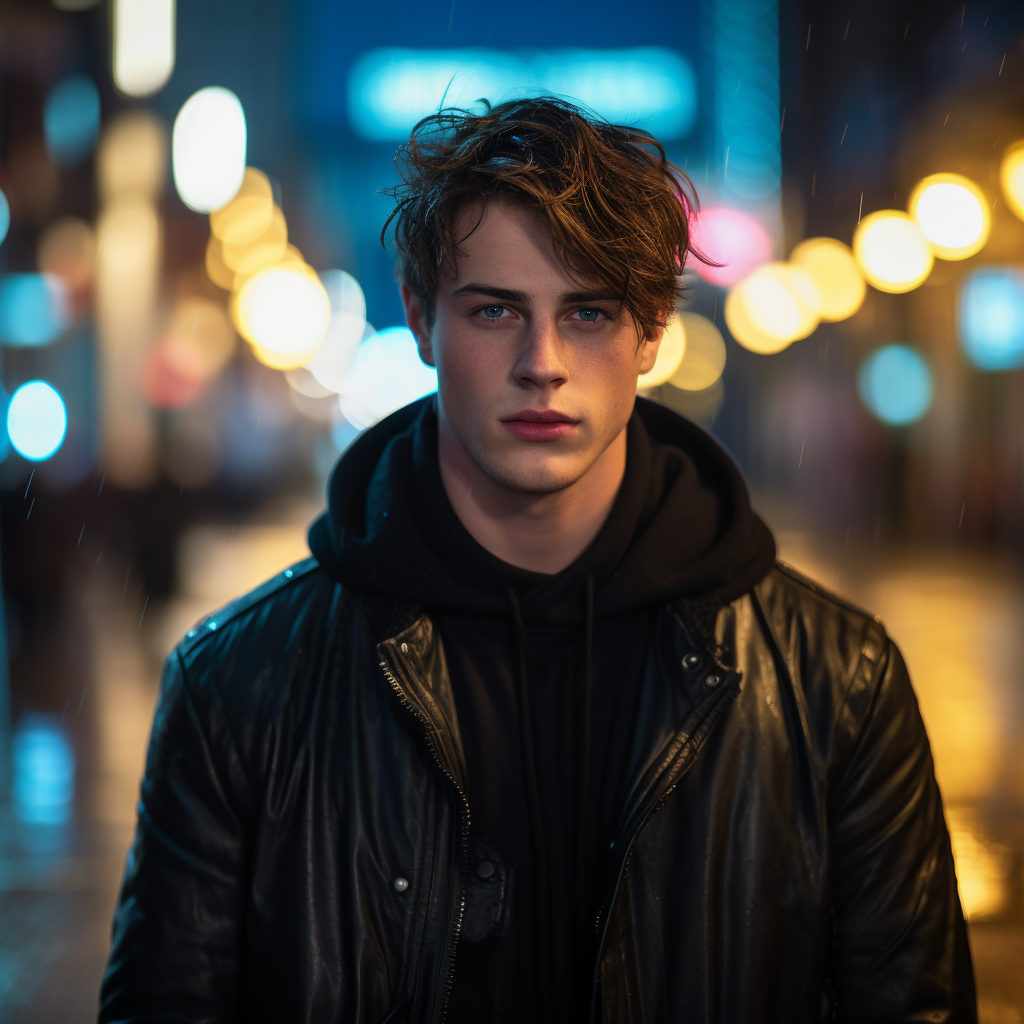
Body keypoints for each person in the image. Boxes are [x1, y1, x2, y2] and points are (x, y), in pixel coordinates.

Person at [100, 97, 975, 1023]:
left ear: (649, 335)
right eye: (495, 311)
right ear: (422, 320)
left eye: (588, 313)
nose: (542, 362)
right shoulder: (239, 685)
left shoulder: (834, 681)